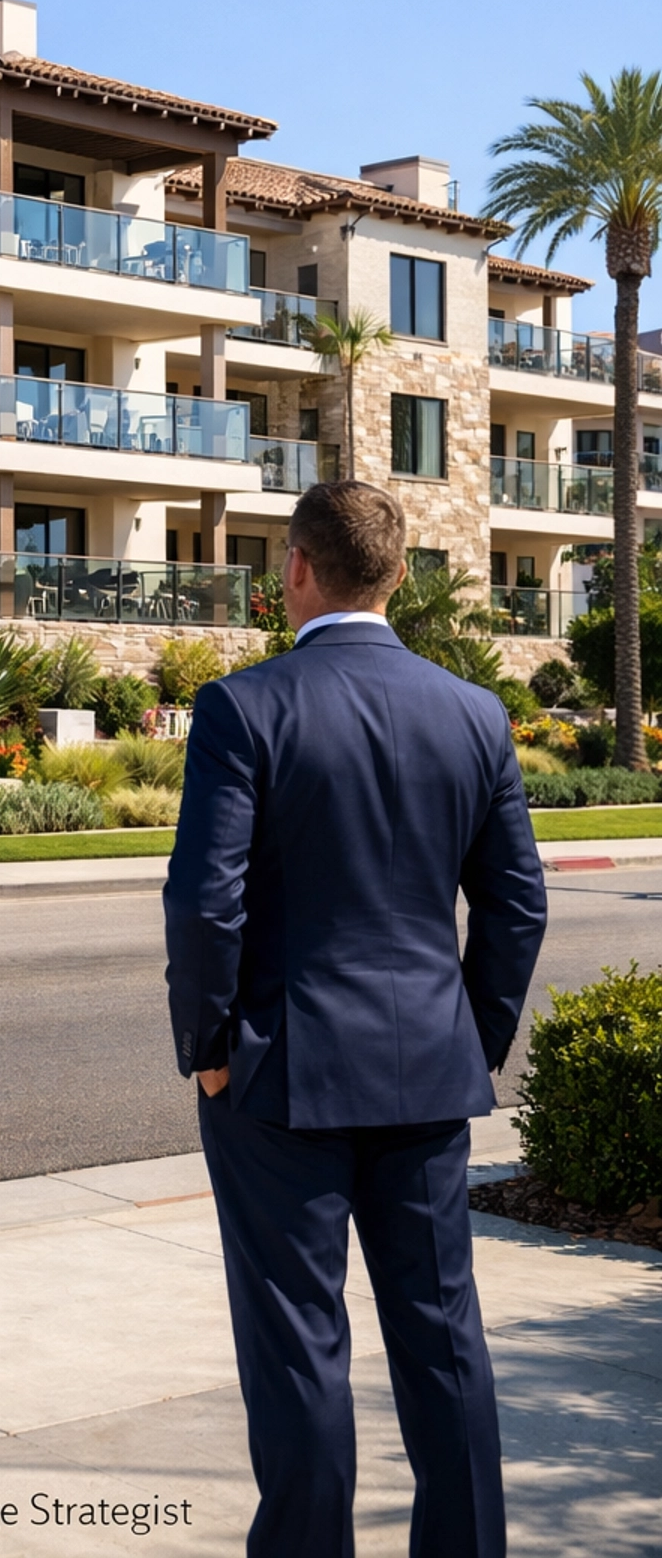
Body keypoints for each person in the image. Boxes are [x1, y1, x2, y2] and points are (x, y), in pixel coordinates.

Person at [164, 480, 547, 1558]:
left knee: (298, 1348)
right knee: (443, 1342)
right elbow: (518, 904)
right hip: (427, 1074)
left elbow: (203, 902)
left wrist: (207, 1052)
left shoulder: (245, 705)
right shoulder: (474, 713)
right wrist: (471, 1040)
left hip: (278, 1081)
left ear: (295, 568)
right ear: (399, 574)